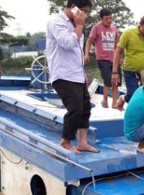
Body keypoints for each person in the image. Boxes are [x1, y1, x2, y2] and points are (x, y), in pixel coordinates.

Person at [46, 0, 99, 154]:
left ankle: (82, 142)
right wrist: (80, 26)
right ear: (72, 6)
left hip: (77, 74)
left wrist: (83, 74)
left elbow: (77, 51)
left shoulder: (75, 23)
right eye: (82, 10)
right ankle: (66, 141)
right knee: (75, 108)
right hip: (63, 74)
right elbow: (68, 43)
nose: (84, 15)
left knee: (85, 109)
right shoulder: (56, 22)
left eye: (86, 12)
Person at [112, 14, 144, 111]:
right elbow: (118, 52)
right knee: (133, 97)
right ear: (142, 25)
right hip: (130, 71)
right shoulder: (128, 34)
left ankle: (143, 115)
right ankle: (123, 98)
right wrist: (114, 72)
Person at [84, 8, 121, 109]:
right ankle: (105, 99)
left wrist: (120, 57)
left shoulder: (114, 29)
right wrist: (86, 54)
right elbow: (89, 41)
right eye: (106, 18)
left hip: (114, 59)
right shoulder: (96, 28)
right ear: (101, 18)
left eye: (110, 18)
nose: (109, 20)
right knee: (108, 80)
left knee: (116, 81)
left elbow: (117, 45)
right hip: (102, 58)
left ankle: (114, 103)